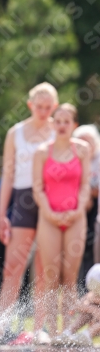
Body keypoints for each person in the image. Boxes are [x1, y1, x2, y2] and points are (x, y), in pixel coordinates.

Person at [0, 82, 58, 344]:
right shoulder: (16, 133)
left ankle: (41, 327)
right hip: (22, 199)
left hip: (49, 201)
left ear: (54, 107)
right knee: (13, 266)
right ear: (31, 105)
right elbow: (7, 174)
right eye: (38, 106)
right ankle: (1, 326)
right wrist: (1, 213)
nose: (43, 111)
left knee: (43, 270)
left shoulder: (59, 130)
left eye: (48, 107)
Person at [33, 104, 90, 342]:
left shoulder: (83, 150)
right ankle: (52, 331)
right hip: (49, 219)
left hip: (75, 218)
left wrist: (77, 210)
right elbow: (37, 188)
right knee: (51, 276)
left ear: (74, 125)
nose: (62, 125)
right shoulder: (42, 152)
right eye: (58, 121)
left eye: (67, 121)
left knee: (70, 277)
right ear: (53, 124)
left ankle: (66, 332)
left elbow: (86, 184)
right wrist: (49, 212)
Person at [73, 125, 100, 292]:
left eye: (88, 141)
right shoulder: (73, 159)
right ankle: (81, 290)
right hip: (78, 208)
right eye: (82, 141)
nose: (85, 145)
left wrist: (89, 194)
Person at [59, 263, 100, 346]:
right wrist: (92, 309)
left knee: (91, 309)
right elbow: (77, 306)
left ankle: (86, 335)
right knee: (87, 313)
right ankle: (68, 332)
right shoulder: (93, 295)